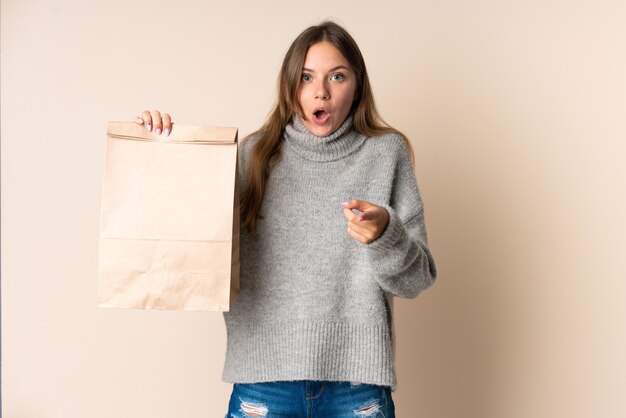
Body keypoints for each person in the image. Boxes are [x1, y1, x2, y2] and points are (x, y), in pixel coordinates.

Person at [134, 20, 436, 418]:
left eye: (337, 76)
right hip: (264, 383)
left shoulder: (386, 154)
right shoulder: (253, 155)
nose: (320, 90)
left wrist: (386, 236)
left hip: (356, 388)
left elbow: (417, 281)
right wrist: (163, 152)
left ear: (357, 85)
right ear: (289, 84)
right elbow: (193, 248)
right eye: (306, 76)